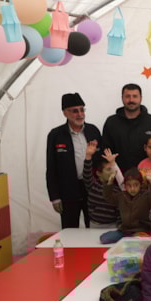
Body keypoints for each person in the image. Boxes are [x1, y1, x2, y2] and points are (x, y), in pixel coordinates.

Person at [46, 92, 101, 228]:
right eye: (75, 111)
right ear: (65, 113)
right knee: (69, 230)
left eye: (82, 110)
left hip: (92, 190)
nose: (80, 114)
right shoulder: (56, 135)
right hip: (67, 191)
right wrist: (55, 197)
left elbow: (101, 162)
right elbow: (51, 167)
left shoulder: (93, 131)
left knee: (94, 228)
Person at [101, 83, 151, 172]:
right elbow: (105, 150)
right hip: (118, 174)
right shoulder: (111, 122)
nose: (131, 100)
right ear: (122, 98)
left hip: (147, 174)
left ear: (141, 98)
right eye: (127, 96)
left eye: (135, 96)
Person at [100, 168, 151, 244]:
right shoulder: (121, 196)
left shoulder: (145, 196)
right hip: (124, 231)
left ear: (140, 185)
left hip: (141, 230)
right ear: (125, 186)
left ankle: (133, 238)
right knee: (104, 239)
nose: (132, 189)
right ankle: (129, 238)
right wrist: (110, 182)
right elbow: (108, 197)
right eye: (129, 185)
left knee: (136, 242)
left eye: (136, 185)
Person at [82, 144, 121, 227]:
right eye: (108, 170)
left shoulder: (116, 190)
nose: (112, 172)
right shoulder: (92, 185)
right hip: (94, 224)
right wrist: (88, 156)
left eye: (112, 169)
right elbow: (86, 174)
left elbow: (119, 211)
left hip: (112, 225)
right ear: (99, 173)